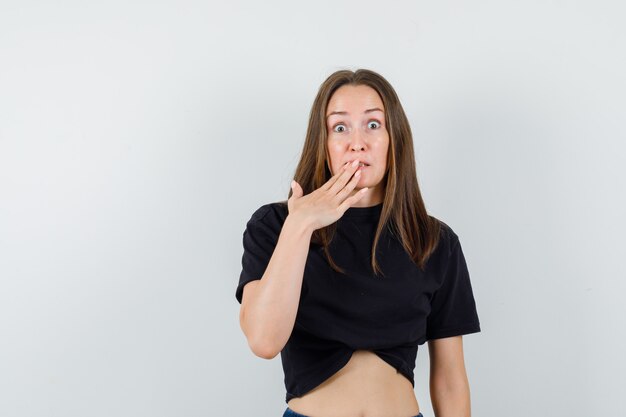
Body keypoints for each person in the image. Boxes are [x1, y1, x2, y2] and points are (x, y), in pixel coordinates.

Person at [235, 68, 481, 417]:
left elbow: (450, 379)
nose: (357, 141)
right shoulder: (275, 226)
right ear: (323, 142)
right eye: (340, 127)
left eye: (373, 124)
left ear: (394, 137)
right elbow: (263, 341)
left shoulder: (433, 241)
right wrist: (301, 223)